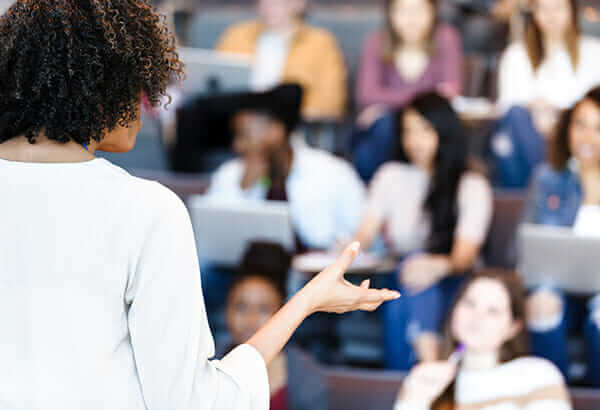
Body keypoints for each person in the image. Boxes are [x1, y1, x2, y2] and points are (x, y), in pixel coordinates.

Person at [0, 2, 400, 409]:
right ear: (106, 85)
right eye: (141, 85)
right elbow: (192, 401)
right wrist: (306, 302)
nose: (145, 106)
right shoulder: (145, 209)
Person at [350, 93, 493, 368]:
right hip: (400, 275)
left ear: (444, 132)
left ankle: (418, 374)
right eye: (408, 131)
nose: (415, 140)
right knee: (404, 288)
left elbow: (464, 258)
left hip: (454, 281)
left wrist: (435, 266)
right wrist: (346, 249)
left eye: (425, 130)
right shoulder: (390, 175)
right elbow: (364, 236)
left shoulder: (471, 185)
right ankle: (431, 370)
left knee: (406, 294)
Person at [206, 84, 366, 252]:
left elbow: (358, 237)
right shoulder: (230, 174)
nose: (237, 145)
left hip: (314, 268)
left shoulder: (332, 172)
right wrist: (243, 188)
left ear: (276, 131)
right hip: (244, 270)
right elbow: (212, 239)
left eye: (243, 135)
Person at [393, 269, 571, 410]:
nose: (477, 317)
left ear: (513, 328)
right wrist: (414, 399)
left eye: (493, 311)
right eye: (470, 304)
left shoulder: (538, 375)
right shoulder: (425, 381)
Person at [520, 87, 600, 386]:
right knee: (542, 302)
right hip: (554, 290)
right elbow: (524, 246)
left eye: (598, 128)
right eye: (580, 125)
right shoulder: (547, 178)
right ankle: (551, 399)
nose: (587, 136)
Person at [491, 0, 600, 187]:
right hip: (528, 136)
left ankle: (545, 191)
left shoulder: (594, 51)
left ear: (571, 12)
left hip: (575, 136)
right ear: (534, 13)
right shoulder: (516, 54)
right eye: (544, 9)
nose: (551, 16)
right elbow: (506, 109)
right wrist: (535, 110)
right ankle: (548, 189)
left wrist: (558, 118)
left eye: (558, 8)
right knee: (514, 118)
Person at [222, 242, 327, 410]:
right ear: (226, 312)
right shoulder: (209, 365)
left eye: (263, 309)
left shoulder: (305, 373)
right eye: (241, 307)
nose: (251, 320)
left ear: (281, 315)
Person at [216, 0, 347, 120]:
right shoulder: (235, 37)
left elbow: (331, 103)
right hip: (235, 123)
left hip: (293, 127)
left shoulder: (320, 43)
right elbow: (214, 88)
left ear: (300, 4)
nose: (270, 5)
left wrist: (282, 111)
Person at [355, 0, 463, 128]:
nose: (411, 19)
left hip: (428, 126)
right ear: (390, 13)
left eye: (419, 10)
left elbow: (449, 92)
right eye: (403, 10)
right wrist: (426, 96)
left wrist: (385, 104)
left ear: (433, 12)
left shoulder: (446, 38)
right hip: (387, 126)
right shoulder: (376, 41)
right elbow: (367, 95)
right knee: (384, 124)